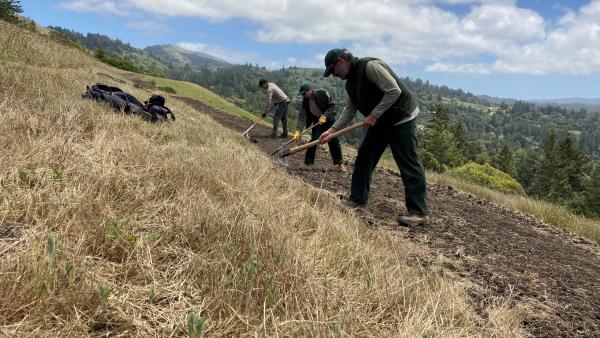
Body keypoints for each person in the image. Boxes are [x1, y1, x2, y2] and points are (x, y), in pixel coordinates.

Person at [318, 48, 428, 226]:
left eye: (333, 70)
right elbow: (350, 110)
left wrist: (374, 115)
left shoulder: (370, 66)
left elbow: (393, 90)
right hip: (380, 121)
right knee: (364, 157)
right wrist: (331, 131)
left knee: (408, 162)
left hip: (401, 117)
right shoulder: (350, 83)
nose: (334, 75)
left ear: (340, 61)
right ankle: (357, 200)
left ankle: (418, 212)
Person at [296, 83, 346, 172]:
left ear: (310, 90)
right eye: (302, 94)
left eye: (304, 93)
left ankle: (340, 164)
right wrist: (298, 130)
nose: (304, 96)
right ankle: (308, 164)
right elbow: (301, 116)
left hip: (329, 122)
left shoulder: (322, 93)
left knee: (333, 141)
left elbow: (332, 106)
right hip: (317, 123)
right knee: (314, 141)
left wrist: (325, 116)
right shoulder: (305, 101)